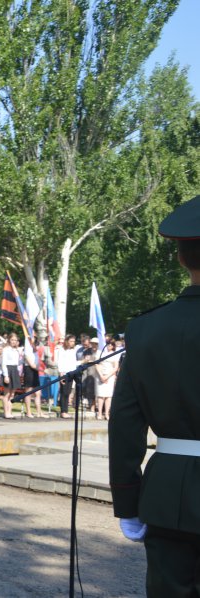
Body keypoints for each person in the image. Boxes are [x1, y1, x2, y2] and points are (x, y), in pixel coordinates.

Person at [109, 194, 200, 596]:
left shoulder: (145, 330)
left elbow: (125, 424)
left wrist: (127, 502)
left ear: (181, 258)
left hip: (169, 497)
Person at [56, 334, 79, 419]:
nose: (72, 343)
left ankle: (66, 410)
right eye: (71, 341)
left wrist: (82, 361)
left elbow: (73, 363)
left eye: (73, 341)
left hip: (71, 372)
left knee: (68, 392)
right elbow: (60, 362)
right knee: (64, 392)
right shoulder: (62, 350)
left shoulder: (72, 350)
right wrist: (61, 373)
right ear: (67, 341)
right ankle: (63, 411)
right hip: (64, 373)